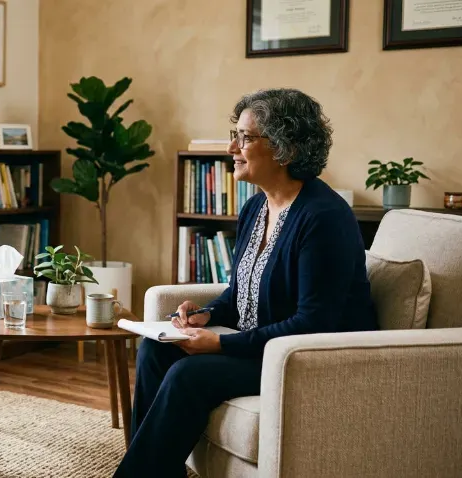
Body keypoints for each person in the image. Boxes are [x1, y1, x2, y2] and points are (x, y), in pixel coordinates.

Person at [114, 88, 378, 477]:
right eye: (234, 135)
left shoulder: (324, 217)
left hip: (309, 359)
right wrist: (206, 315)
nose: (231, 147)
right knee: (155, 352)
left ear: (286, 148)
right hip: (264, 348)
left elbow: (313, 323)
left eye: (246, 137)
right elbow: (241, 293)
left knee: (189, 374)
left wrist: (220, 343)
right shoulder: (256, 206)